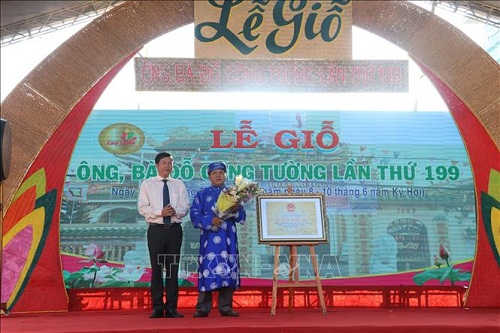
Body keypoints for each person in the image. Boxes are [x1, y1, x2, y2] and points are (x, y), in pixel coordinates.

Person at [190, 161, 246, 317]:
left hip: (229, 240)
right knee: (208, 270)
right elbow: (194, 216)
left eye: (221, 172)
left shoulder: (233, 194)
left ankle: (226, 307)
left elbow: (242, 217)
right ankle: (202, 308)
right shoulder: (202, 194)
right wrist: (210, 221)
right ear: (209, 176)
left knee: (229, 270)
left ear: (225, 175)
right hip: (209, 241)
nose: (218, 175)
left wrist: (236, 209)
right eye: (214, 173)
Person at [138, 152, 190, 318]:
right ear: (156, 165)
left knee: (173, 269)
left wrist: (177, 211)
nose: (167, 166)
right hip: (156, 231)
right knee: (157, 269)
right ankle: (158, 307)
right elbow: (142, 208)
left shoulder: (179, 184)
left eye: (170, 163)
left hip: (174, 230)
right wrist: (159, 212)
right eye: (164, 163)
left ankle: (172, 307)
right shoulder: (147, 184)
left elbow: (185, 206)